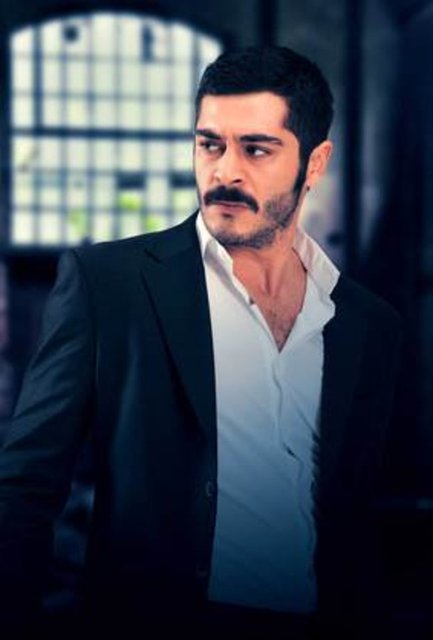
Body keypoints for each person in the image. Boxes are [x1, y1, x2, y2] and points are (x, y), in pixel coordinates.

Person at [0, 46, 403, 639]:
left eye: (256, 149)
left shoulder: (368, 325)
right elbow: (24, 489)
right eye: (210, 144)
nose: (224, 172)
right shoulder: (109, 285)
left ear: (315, 163)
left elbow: (358, 516)